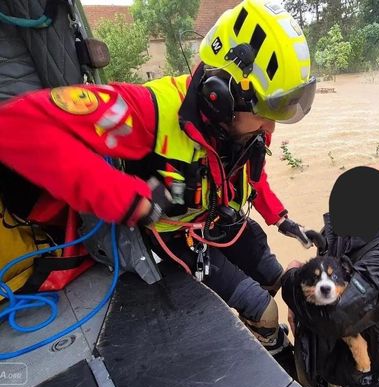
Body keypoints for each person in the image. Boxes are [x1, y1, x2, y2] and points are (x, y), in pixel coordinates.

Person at [0, 0, 316, 355]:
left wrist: (281, 218)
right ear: (220, 97)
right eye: (265, 113)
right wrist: (124, 196)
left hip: (224, 221)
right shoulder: (145, 111)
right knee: (266, 310)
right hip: (183, 239)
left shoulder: (249, 126)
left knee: (284, 279)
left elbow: (252, 176)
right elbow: (15, 127)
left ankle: (273, 334)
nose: (271, 126)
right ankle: (272, 345)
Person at [281, 164, 379, 387]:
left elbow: (336, 317)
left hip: (361, 383)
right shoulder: (345, 222)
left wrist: (292, 278)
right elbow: (323, 267)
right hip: (324, 360)